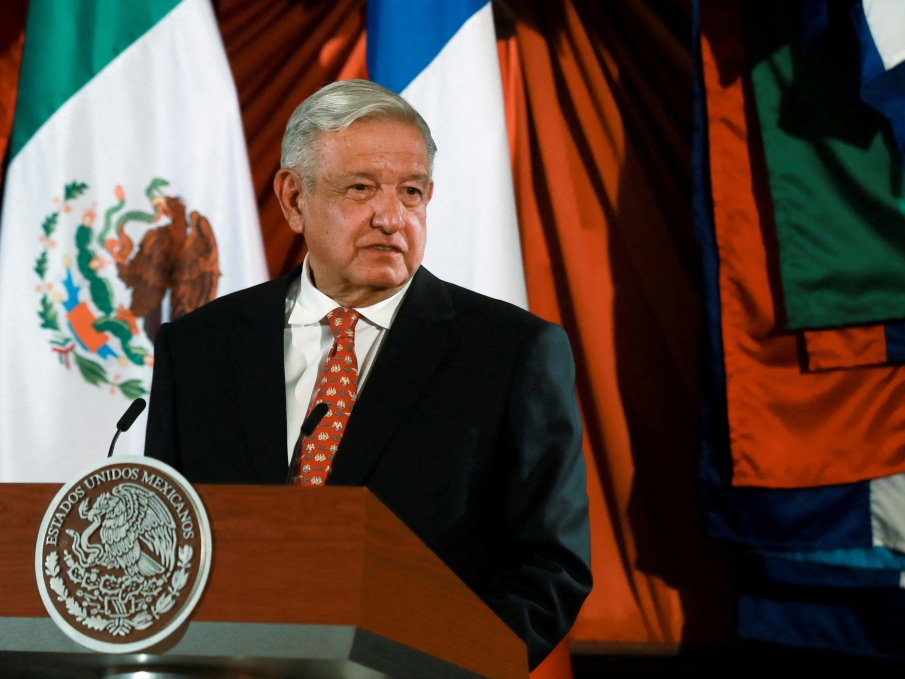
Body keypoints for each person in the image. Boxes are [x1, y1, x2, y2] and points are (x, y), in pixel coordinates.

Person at [145, 79, 591, 669]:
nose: (391, 216)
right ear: (294, 199)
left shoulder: (512, 353)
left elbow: (551, 564)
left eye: (411, 192)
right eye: (361, 189)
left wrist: (439, 667)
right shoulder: (199, 347)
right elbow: (167, 535)